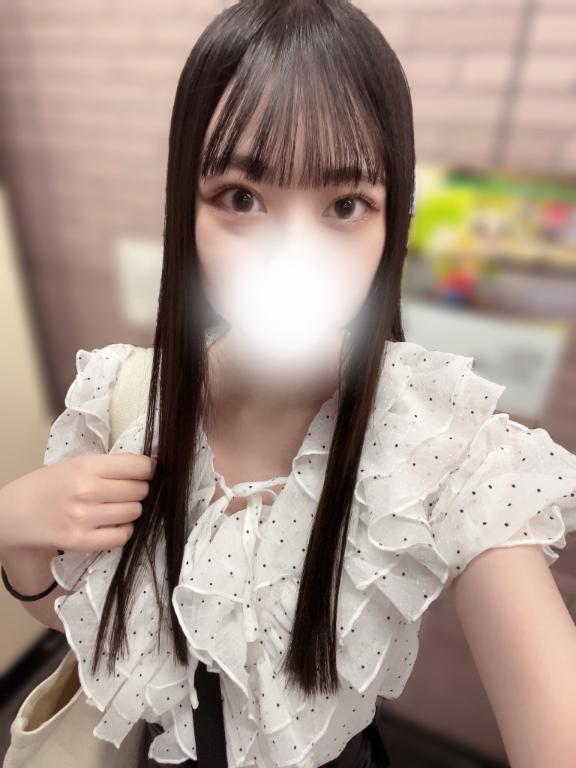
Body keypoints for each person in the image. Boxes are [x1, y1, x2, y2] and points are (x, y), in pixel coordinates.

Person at [1, 1, 576, 766]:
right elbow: (87, 629)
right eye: (242, 197)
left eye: (344, 205)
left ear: (390, 225)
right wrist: (16, 531)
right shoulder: (120, 399)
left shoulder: (444, 444)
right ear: (187, 208)